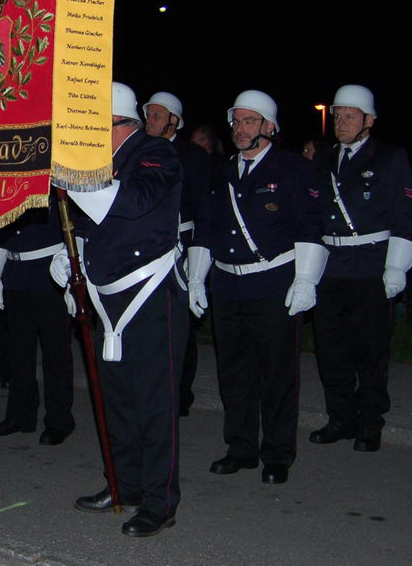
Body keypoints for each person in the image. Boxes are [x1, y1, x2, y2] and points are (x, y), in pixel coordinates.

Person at [51, 82, 187, 538]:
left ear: (118, 123)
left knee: (154, 404)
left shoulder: (156, 152)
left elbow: (131, 202)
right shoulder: (99, 162)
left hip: (150, 295)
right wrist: (70, 258)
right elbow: (89, 223)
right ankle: (124, 483)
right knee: (117, 402)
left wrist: (71, 177)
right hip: (106, 293)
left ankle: (159, 502)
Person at [187, 90, 326, 485]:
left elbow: (310, 224)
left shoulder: (292, 168)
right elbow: (205, 226)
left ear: (269, 127)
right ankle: (241, 447)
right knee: (234, 372)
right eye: (237, 122)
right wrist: (196, 278)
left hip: (273, 283)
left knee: (277, 374)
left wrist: (306, 279)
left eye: (249, 121)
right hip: (228, 285)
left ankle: (277, 454)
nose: (240, 129)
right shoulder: (221, 171)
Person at [310, 85, 412, 452]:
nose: (341, 122)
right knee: (331, 348)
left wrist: (396, 267)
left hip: (371, 264)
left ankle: (370, 421)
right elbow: (313, 216)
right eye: (337, 116)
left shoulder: (390, 157)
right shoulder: (323, 160)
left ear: (369, 120)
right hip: (330, 266)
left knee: (370, 350)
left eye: (349, 116)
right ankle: (340, 417)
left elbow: (404, 214)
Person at [0, 197, 74, 445]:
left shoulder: (55, 188)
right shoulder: (9, 187)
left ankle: (59, 420)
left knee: (55, 353)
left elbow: (73, 230)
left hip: (50, 274)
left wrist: (71, 275)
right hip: (15, 275)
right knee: (19, 352)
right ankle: (20, 414)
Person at [142, 91, 211, 415]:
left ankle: (180, 393)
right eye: (148, 114)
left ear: (173, 120)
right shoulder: (139, 151)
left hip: (180, 244)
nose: (149, 120)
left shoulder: (193, 156)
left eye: (156, 115)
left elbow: (202, 205)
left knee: (180, 321)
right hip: (146, 244)